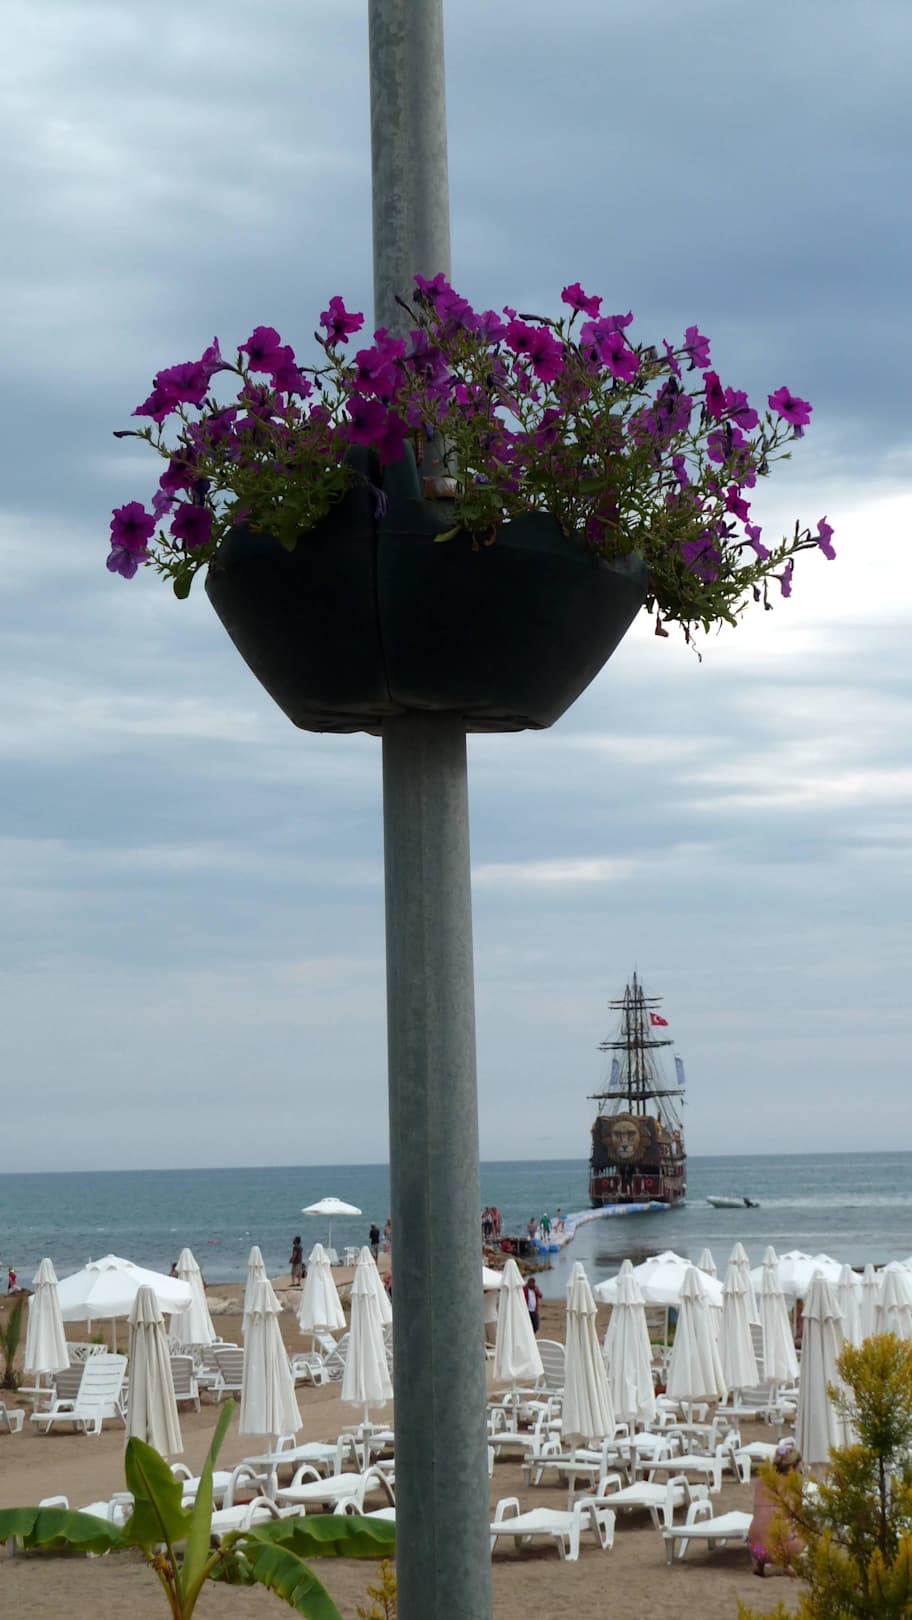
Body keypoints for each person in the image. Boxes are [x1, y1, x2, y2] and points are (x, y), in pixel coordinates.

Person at [747, 1438, 804, 1576]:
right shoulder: (792, 1484)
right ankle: (787, 1564)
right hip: (777, 1553)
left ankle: (759, 1564)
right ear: (792, 1467)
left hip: (755, 1548)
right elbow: (797, 1516)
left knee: (764, 1524)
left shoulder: (761, 1480)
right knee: (806, 1530)